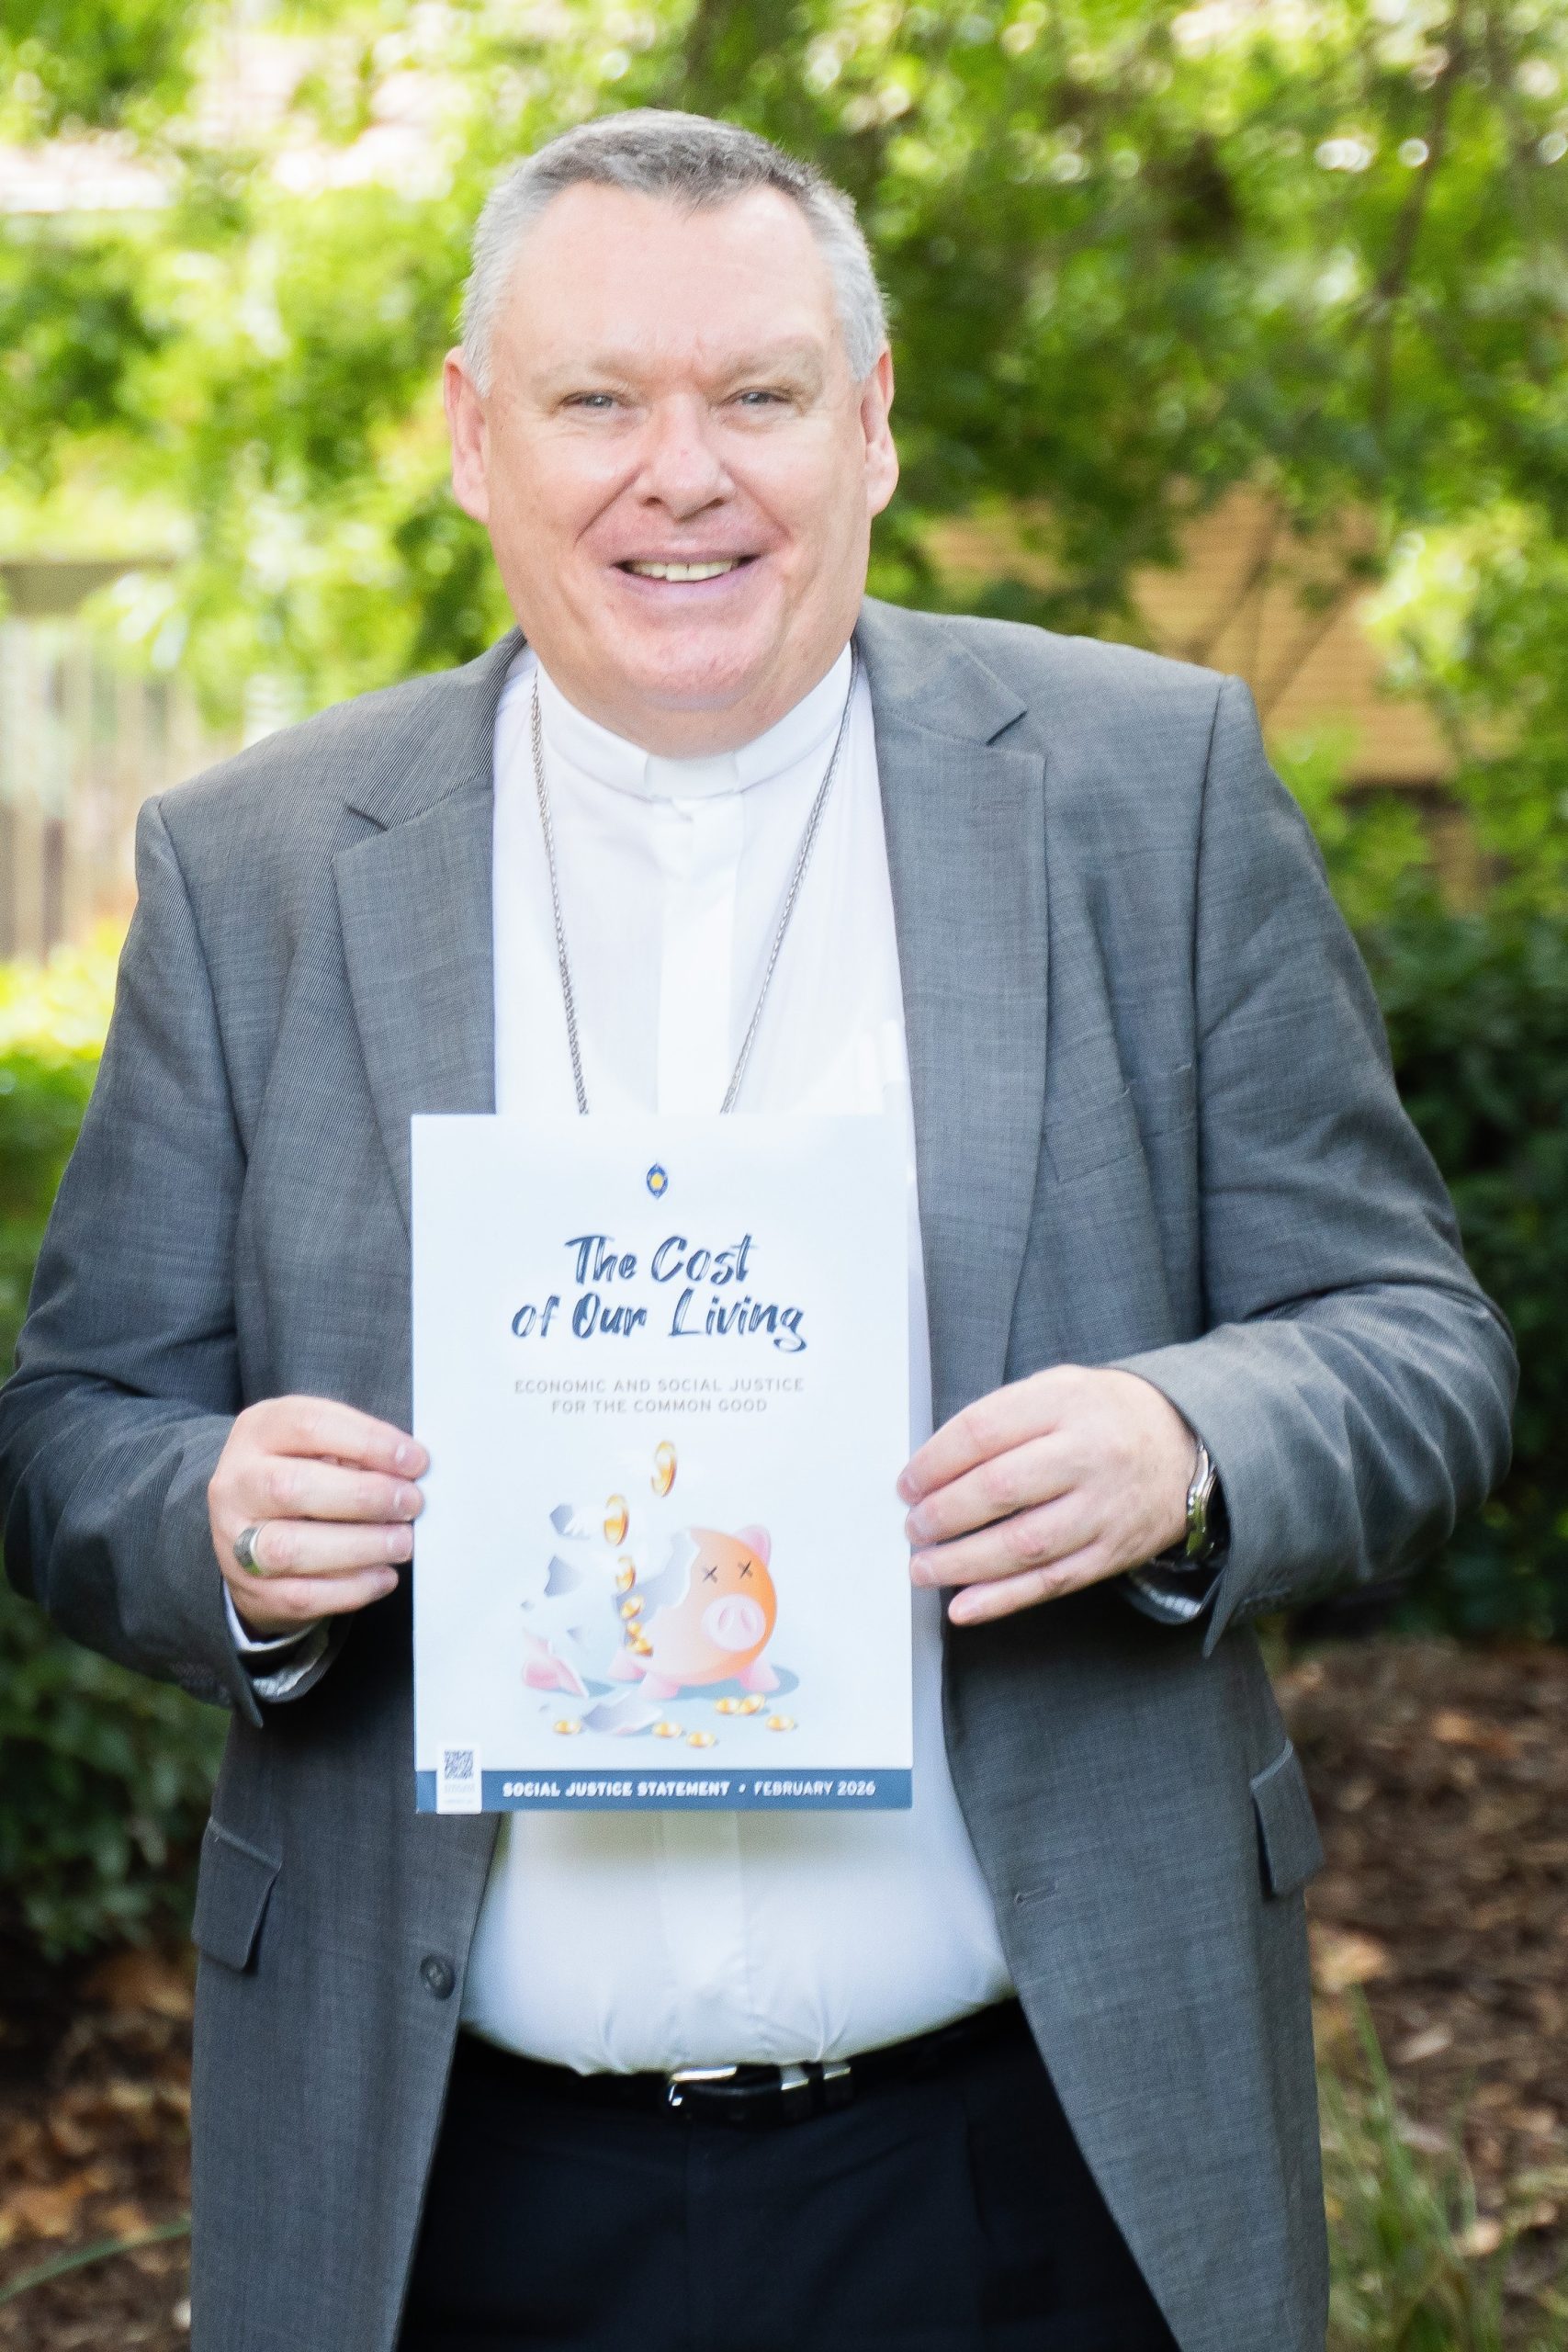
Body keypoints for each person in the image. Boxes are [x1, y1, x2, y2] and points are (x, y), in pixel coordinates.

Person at [0, 109, 1515, 2352]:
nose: (680, 473)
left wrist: (1188, 1444)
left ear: (870, 423)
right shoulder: (263, 863)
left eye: (759, 394)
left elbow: (1411, 1337)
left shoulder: (1146, 787)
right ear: (472, 434)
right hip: (446, 2180)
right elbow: (71, 1427)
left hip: (1035, 2150)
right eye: (597, 399)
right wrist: (214, 1518)